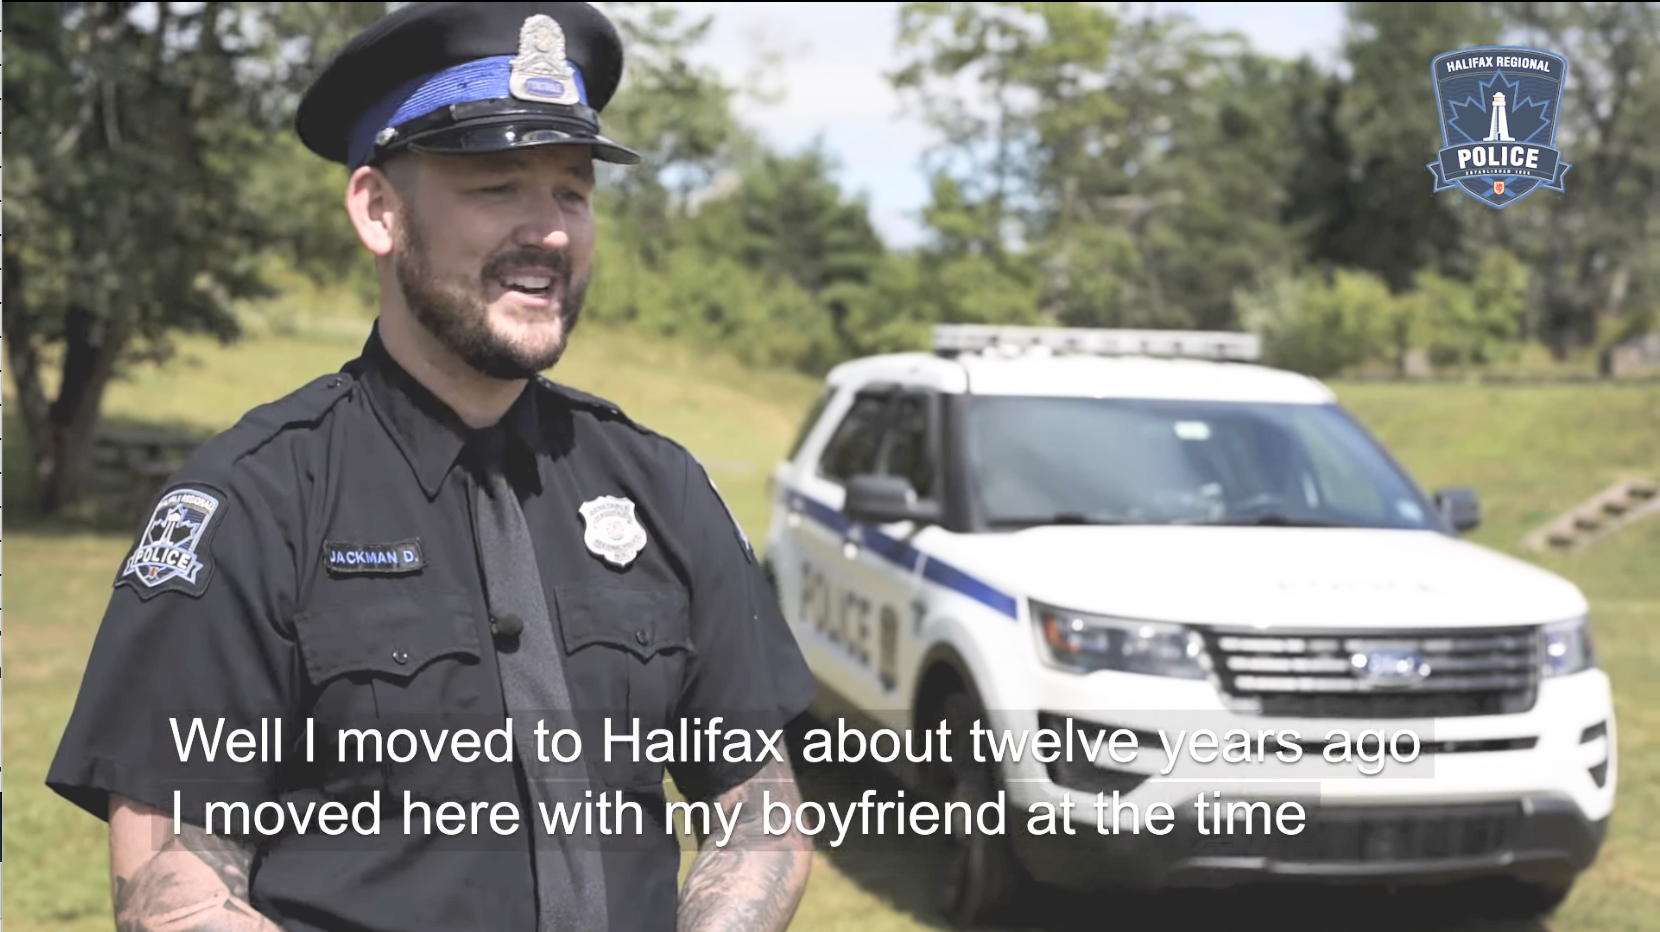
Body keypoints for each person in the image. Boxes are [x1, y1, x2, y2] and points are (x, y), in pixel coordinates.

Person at [46, 3, 817, 929]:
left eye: (573, 192)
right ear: (379, 210)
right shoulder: (253, 501)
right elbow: (171, 888)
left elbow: (759, 813)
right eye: (499, 188)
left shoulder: (661, 488)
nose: (553, 232)